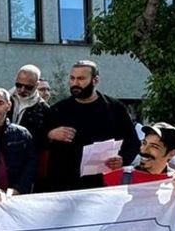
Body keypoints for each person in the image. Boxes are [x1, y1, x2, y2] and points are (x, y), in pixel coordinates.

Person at [42, 60, 139, 192]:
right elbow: (37, 141)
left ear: (95, 80)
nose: (75, 83)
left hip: (102, 185)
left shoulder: (115, 109)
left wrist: (122, 159)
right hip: (63, 186)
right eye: (72, 78)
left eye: (81, 78)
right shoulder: (58, 110)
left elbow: (132, 142)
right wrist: (50, 134)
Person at [104, 123, 175, 231]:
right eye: (144, 143)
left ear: (171, 153)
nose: (144, 150)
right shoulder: (120, 178)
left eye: (154, 146)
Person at [10, 64, 52, 191]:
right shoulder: (6, 100)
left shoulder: (44, 109)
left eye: (28, 87)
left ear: (37, 84)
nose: (22, 90)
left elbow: (42, 144)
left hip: (26, 163)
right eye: (18, 85)